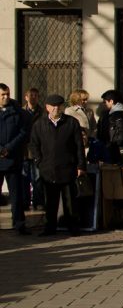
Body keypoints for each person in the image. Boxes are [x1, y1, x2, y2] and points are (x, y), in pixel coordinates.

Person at [28, 94, 86, 236]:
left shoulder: (71, 123)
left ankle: (73, 227)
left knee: (70, 201)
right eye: (52, 106)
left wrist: (81, 166)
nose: (55, 108)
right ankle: (50, 227)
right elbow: (34, 145)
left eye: (58, 106)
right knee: (50, 202)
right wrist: (39, 162)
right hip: (48, 169)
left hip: (68, 167)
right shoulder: (39, 124)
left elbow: (79, 146)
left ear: (62, 107)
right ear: (47, 107)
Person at [0, 84, 30, 235]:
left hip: (13, 158)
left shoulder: (18, 111)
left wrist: (8, 148)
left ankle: (19, 224)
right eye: (2, 95)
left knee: (16, 195)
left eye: (7, 94)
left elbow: (24, 132)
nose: (6, 97)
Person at [97, 89, 123, 163]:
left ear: (111, 101)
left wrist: (113, 145)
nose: (104, 104)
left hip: (117, 151)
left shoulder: (118, 115)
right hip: (115, 148)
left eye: (105, 102)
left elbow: (122, 132)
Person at [21, 88, 44, 210]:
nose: (33, 97)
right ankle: (24, 202)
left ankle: (38, 201)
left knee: (38, 177)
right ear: (26, 97)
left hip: (37, 149)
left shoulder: (43, 112)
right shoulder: (21, 112)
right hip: (24, 150)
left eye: (35, 95)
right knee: (24, 177)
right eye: (31, 95)